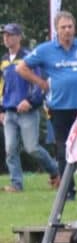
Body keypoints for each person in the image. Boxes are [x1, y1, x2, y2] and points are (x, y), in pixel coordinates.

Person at [17, 10, 77, 200]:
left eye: (70, 27)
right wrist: (40, 83)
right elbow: (21, 67)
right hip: (59, 107)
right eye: (63, 27)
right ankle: (68, 192)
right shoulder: (46, 50)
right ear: (57, 30)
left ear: (75, 28)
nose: (67, 31)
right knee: (64, 151)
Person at [0, 23, 60, 193]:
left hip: (28, 111)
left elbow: (40, 83)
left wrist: (31, 101)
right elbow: (1, 86)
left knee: (32, 148)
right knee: (10, 148)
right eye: (5, 35)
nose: (6, 38)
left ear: (19, 37)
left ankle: (55, 171)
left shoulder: (29, 57)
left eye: (10, 35)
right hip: (9, 111)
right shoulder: (3, 60)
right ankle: (16, 184)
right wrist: (1, 109)